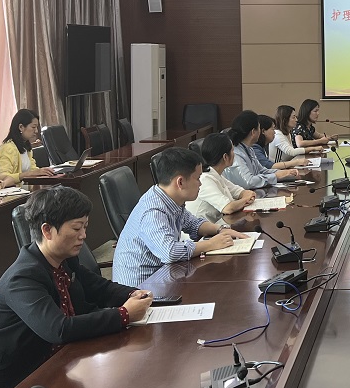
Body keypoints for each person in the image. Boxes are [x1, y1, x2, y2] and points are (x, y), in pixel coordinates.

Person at [0, 186, 153, 388]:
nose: (83, 236)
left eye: (85, 227)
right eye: (76, 228)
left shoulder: (64, 260)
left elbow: (99, 287)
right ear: (47, 230)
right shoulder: (22, 278)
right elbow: (59, 329)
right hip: (14, 384)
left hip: (57, 362)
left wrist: (134, 293)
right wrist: (123, 314)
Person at [113, 147, 250, 286]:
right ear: (180, 182)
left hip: (162, 277)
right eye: (197, 178)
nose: (200, 183)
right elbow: (170, 252)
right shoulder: (153, 211)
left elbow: (193, 224)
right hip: (140, 288)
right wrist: (211, 244)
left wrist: (220, 230)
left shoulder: (169, 198)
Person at [187, 133, 257, 223]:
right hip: (201, 230)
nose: (234, 154)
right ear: (225, 157)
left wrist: (245, 197)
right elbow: (228, 208)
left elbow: (240, 192)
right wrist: (246, 200)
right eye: (232, 151)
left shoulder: (216, 174)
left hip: (218, 224)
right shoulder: (205, 179)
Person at [226, 109, 301, 190]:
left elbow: (261, 170)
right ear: (253, 132)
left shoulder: (249, 148)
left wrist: (284, 173)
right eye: (259, 128)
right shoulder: (236, 153)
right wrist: (276, 176)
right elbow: (249, 182)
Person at [0, 109, 55, 181]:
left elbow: (32, 169)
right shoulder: (8, 148)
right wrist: (28, 174)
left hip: (23, 187)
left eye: (37, 127)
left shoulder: (25, 146)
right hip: (9, 188)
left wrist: (43, 171)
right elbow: (2, 177)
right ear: (21, 127)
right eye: (33, 127)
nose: (36, 131)